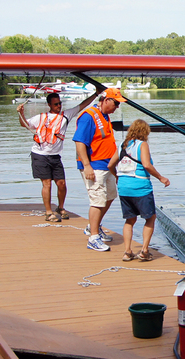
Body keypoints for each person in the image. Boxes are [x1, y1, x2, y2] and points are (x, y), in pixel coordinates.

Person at [17, 90, 99, 222]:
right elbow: (24, 124)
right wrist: (21, 113)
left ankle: (60, 208)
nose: (59, 106)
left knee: (61, 183)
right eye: (56, 104)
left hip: (55, 156)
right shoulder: (41, 117)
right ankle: (48, 212)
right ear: (49, 105)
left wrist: (96, 94)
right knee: (47, 184)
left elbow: (82, 105)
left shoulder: (66, 115)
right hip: (39, 154)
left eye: (60, 103)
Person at [108, 119, 170, 261]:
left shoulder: (122, 146)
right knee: (150, 218)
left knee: (129, 220)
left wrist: (117, 177)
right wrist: (161, 178)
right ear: (145, 132)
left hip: (123, 188)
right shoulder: (142, 145)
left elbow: (111, 165)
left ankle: (128, 252)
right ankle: (144, 251)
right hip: (140, 187)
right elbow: (147, 165)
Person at [73, 88, 125, 252]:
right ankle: (93, 238)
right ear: (105, 100)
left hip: (106, 165)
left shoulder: (105, 116)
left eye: (118, 104)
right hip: (94, 165)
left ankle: (93, 226)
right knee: (97, 199)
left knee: (110, 196)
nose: (117, 107)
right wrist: (87, 165)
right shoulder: (88, 116)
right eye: (115, 103)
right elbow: (80, 142)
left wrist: (115, 170)